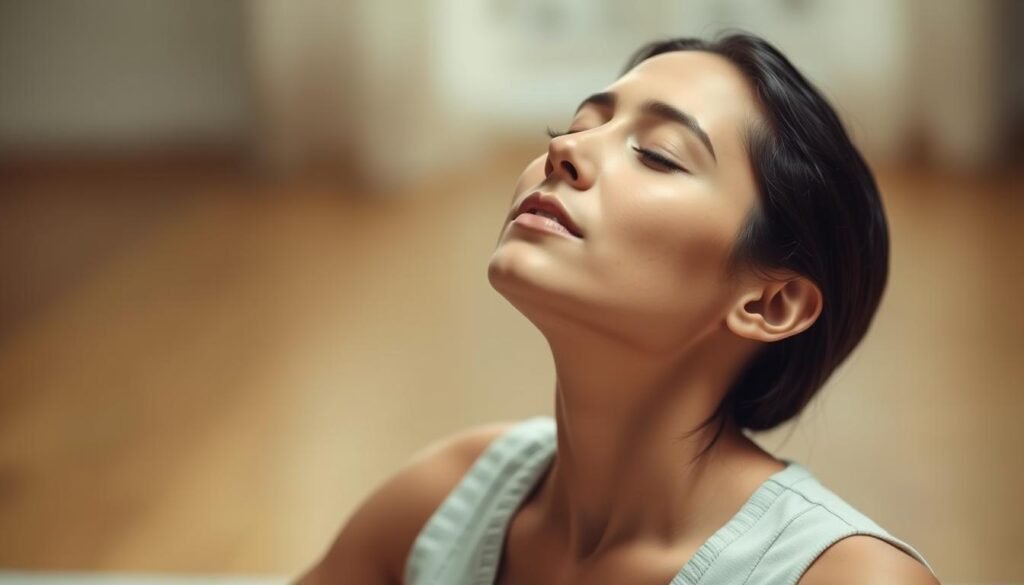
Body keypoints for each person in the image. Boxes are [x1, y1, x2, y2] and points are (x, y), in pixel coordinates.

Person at [298, 32, 940, 585]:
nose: (564, 152)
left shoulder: (849, 577)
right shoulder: (443, 502)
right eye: (576, 126)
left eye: (658, 155)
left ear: (771, 302)